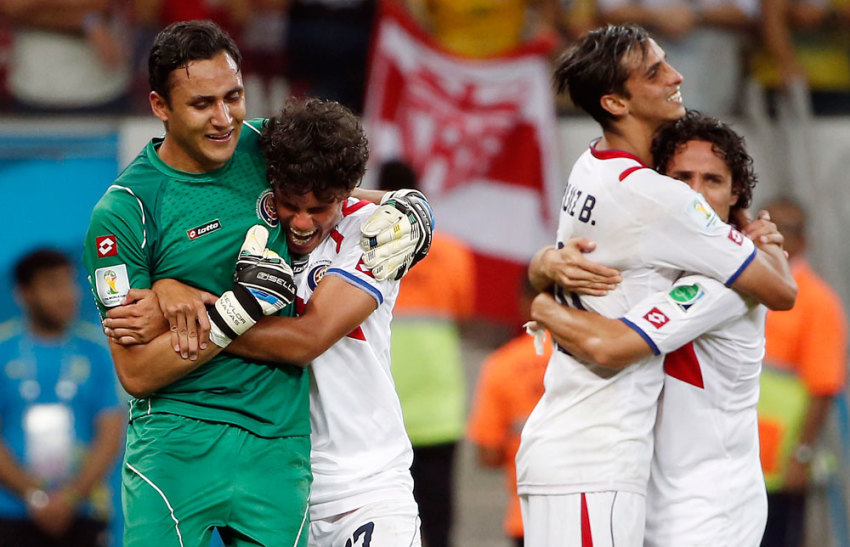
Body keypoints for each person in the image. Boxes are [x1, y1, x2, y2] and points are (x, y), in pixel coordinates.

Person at [83, 21, 430, 546]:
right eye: (203, 104)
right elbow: (133, 371)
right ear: (159, 105)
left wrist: (412, 206)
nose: (225, 119)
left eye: (235, 96)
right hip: (179, 442)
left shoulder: (265, 147)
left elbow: (333, 192)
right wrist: (201, 304)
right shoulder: (124, 212)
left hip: (296, 456)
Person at [515, 25, 796, 546]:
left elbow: (783, 294)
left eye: (712, 181)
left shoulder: (591, 167)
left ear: (738, 192)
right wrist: (542, 279)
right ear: (614, 101)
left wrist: (542, 286)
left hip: (702, 501)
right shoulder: (658, 204)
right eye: (654, 71)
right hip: (599, 456)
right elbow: (780, 289)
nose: (676, 75)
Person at [377, 159, 474, 547]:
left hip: (382, 405)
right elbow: (463, 312)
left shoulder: (361, 253)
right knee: (437, 515)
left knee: (383, 513)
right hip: (439, 405)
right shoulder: (452, 253)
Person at [0, 249, 124, 546]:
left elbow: (110, 432)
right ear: (24, 293)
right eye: (53, 285)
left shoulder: (97, 350)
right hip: (12, 512)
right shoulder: (3, 349)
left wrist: (70, 497)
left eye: (70, 284)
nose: (67, 295)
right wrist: (34, 495)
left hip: (84, 510)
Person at [757, 197, 847, 547]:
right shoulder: (745, 287)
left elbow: (824, 385)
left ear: (804, 240)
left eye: (788, 230)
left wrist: (802, 455)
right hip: (737, 455)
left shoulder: (816, 301)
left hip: (778, 465)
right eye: (770, 225)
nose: (777, 236)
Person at [466, 278, 552, 547]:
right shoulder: (594, 353)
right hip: (588, 508)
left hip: (526, 516)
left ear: (526, 303)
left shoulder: (502, 364)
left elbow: (487, 454)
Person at [0, 0, 131, 114]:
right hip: (31, 91)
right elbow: (11, 6)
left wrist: (33, 11)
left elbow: (98, 4)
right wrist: (85, 18)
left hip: (99, 93)